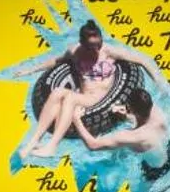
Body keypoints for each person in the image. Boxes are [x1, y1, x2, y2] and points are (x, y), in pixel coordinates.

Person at [29, 20, 121, 157]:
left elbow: (141, 60)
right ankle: (40, 141)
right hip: (82, 96)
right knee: (58, 93)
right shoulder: (75, 52)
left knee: (70, 99)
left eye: (98, 44)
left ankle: (52, 146)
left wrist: (156, 79)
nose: (96, 50)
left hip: (98, 98)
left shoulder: (108, 52)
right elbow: (57, 60)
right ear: (82, 44)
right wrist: (31, 69)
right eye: (91, 47)